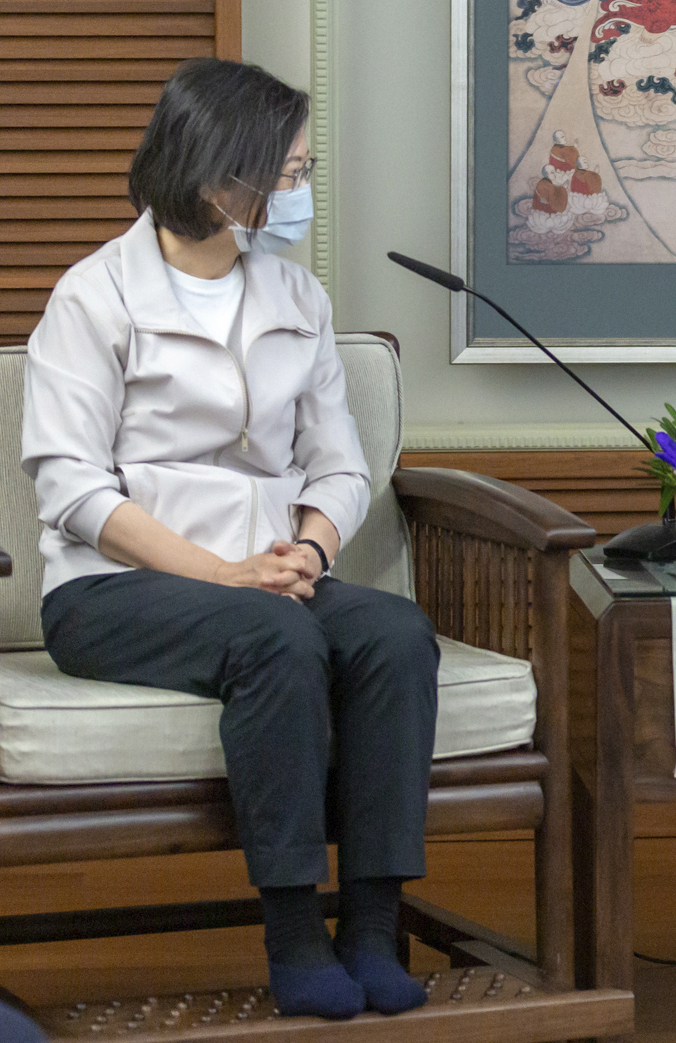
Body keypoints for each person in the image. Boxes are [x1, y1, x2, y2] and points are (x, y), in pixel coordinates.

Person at [21, 58, 438, 1018]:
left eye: (304, 169)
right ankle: (294, 938)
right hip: (111, 591)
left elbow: (340, 462)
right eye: (288, 174)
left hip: (270, 576)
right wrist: (224, 575)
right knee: (275, 638)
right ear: (221, 181)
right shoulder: (95, 297)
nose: (301, 191)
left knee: (391, 632)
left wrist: (312, 550)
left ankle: (371, 927)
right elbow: (73, 488)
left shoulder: (299, 301)